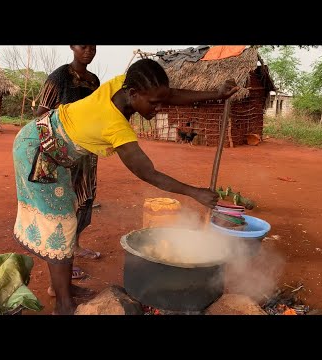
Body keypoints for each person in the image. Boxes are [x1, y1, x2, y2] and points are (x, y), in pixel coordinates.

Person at [12, 58, 239, 314]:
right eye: (153, 104)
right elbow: (148, 173)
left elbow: (169, 93)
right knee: (59, 224)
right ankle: (63, 304)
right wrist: (195, 192)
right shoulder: (114, 125)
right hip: (38, 152)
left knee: (67, 219)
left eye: (159, 102)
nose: (159, 108)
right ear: (133, 94)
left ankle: (62, 287)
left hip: (53, 148)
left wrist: (216, 94)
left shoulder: (125, 83)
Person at [35, 45, 101, 287]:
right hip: (63, 154)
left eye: (93, 46)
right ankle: (65, 261)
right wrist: (52, 154)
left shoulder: (94, 81)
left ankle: (74, 246)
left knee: (84, 199)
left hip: (87, 154)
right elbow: (41, 117)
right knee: (65, 204)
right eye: (83, 46)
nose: (89, 51)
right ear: (72, 47)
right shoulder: (59, 78)